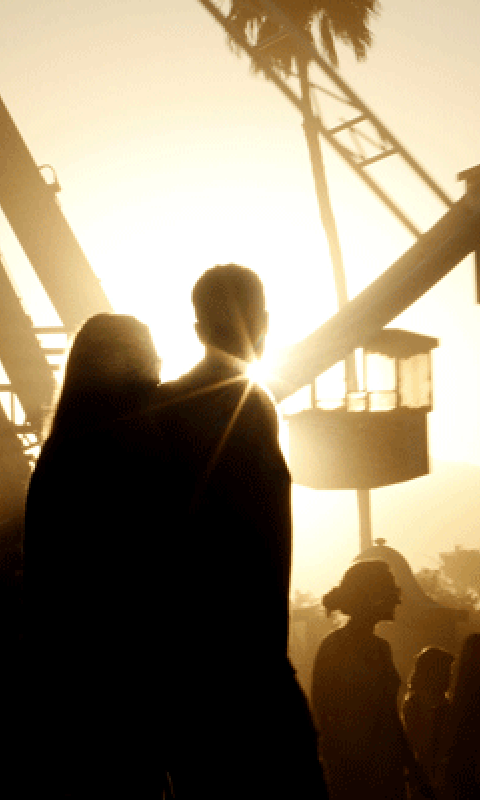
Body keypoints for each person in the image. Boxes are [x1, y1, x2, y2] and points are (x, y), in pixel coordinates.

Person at [151, 264, 326, 799]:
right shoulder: (252, 407)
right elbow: (265, 544)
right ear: (265, 322)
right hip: (249, 669)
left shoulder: (162, 407)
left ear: (198, 328)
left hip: (185, 674)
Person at [24, 313, 165, 798]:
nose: (161, 370)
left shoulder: (58, 460)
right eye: (150, 360)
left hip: (70, 694)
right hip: (123, 693)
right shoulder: (131, 464)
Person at [312, 560, 433, 800]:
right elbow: (324, 717)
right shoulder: (334, 648)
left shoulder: (380, 648)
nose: (397, 600)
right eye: (391, 592)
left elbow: (389, 717)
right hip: (356, 778)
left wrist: (413, 768)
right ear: (373, 596)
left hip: (384, 774)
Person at [401, 646, 454, 798]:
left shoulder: (443, 704)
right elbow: (424, 746)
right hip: (426, 781)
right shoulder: (415, 705)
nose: (449, 676)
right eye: (446, 671)